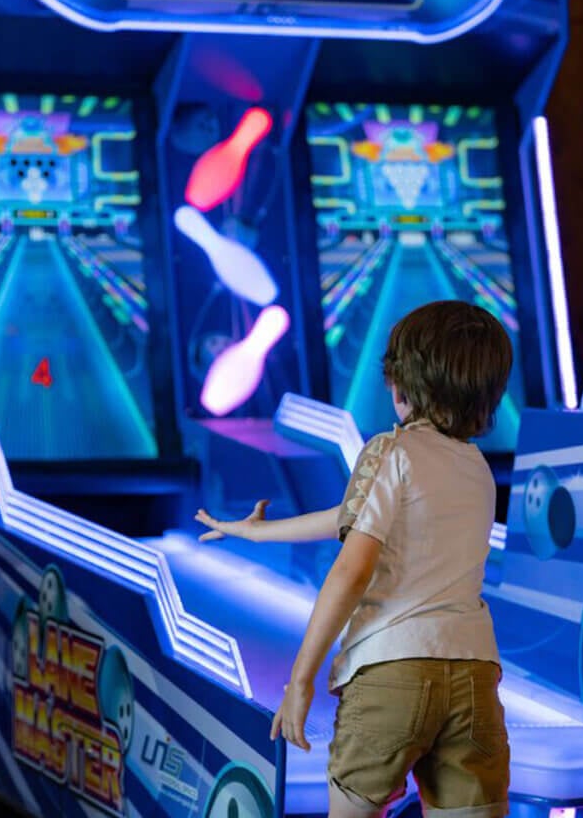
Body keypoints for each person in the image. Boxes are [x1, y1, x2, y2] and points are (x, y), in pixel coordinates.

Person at [196, 300, 512, 818]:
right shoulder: (475, 467)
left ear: (403, 383)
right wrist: (259, 532)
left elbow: (352, 566)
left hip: (393, 673)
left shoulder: (392, 450)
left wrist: (300, 680)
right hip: (475, 678)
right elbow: (353, 512)